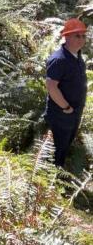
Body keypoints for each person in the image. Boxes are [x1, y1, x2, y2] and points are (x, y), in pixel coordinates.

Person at [44, 18, 88, 167]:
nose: (81, 39)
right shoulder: (59, 60)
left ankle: (59, 173)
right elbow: (51, 87)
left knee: (66, 144)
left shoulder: (77, 56)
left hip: (74, 112)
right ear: (67, 37)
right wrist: (66, 108)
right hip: (62, 114)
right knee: (58, 148)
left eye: (83, 36)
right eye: (77, 36)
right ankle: (53, 181)